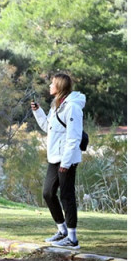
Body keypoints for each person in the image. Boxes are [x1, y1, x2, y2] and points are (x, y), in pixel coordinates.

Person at [31, 73, 87, 250]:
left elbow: (74, 137)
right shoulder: (56, 105)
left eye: (52, 84)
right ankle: (62, 231)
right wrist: (37, 111)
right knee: (48, 193)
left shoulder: (72, 107)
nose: (49, 86)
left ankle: (72, 238)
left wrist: (66, 162)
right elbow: (48, 127)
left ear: (60, 86)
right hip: (54, 157)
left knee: (66, 195)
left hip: (66, 159)